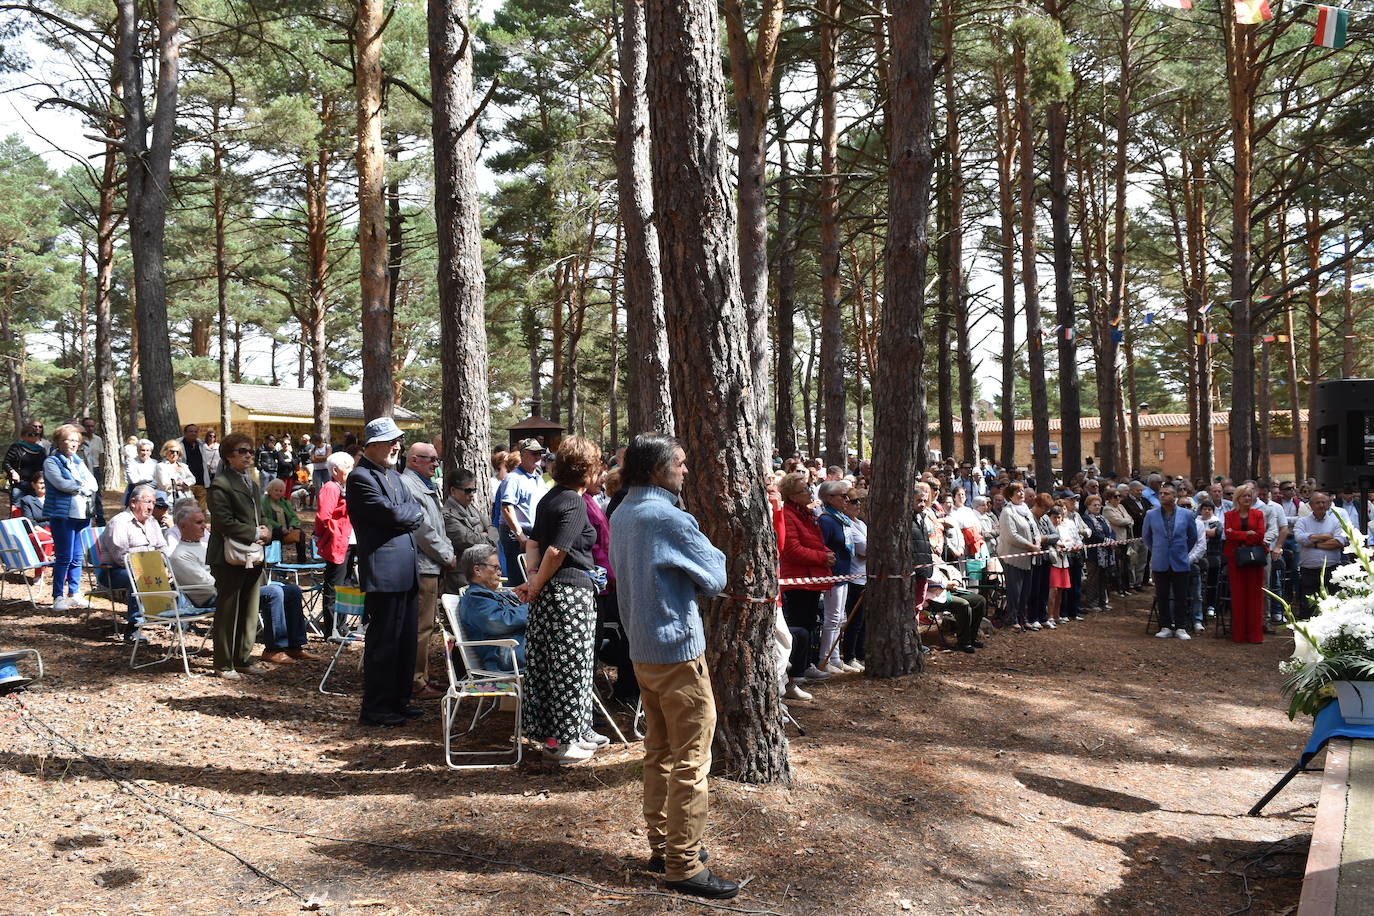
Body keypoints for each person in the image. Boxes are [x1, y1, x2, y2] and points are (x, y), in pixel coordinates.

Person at [608, 433, 736, 900]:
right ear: (657, 470)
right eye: (679, 464)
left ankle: (664, 845)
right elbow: (716, 577)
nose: (685, 471)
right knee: (691, 761)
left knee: (660, 752)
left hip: (642, 649)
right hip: (677, 652)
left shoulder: (622, 510)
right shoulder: (666, 516)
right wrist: (697, 536)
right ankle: (683, 864)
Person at [513, 436, 602, 763]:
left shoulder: (550, 496)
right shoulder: (575, 502)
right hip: (569, 596)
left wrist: (534, 579)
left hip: (551, 592)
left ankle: (564, 736)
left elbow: (533, 544)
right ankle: (563, 744)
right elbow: (556, 550)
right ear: (586, 471)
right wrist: (534, 584)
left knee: (550, 668)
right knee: (569, 667)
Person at [347, 418, 425, 727]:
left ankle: (398, 701)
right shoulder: (360, 477)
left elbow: (413, 512)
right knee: (384, 644)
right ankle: (376, 707)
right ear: (372, 445)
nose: (397, 446)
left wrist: (404, 515)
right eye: (391, 441)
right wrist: (404, 515)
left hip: (406, 571)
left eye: (399, 441)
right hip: (385, 574)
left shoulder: (393, 476)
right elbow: (395, 513)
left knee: (405, 642)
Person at [168, 503, 314, 664]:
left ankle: (294, 646)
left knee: (292, 590)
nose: (204, 526)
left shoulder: (204, 545)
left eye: (203, 521)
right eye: (198, 522)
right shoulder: (180, 555)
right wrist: (239, 581)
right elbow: (207, 585)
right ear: (182, 525)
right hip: (216, 597)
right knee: (274, 593)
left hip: (229, 588)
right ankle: (273, 649)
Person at [207, 433, 273, 677]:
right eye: (242, 451)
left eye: (250, 451)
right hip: (227, 555)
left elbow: (262, 515)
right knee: (228, 608)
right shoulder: (220, 485)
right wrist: (255, 531)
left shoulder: (252, 484)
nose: (248, 455)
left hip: (253, 553)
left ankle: (243, 659)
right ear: (228, 456)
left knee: (250, 606)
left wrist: (268, 531)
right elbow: (223, 522)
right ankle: (224, 663)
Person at [399, 440, 456, 703]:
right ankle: (414, 681)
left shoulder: (422, 483)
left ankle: (419, 676)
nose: (436, 463)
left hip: (430, 564)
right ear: (413, 460)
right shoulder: (409, 485)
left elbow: (436, 526)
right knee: (420, 627)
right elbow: (423, 530)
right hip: (423, 565)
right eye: (430, 459)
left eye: (436, 459)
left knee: (426, 626)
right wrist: (445, 555)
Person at [777, 470, 834, 681]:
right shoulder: (789, 515)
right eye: (804, 490)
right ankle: (796, 674)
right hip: (798, 580)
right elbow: (791, 550)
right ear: (792, 495)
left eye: (809, 488)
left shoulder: (806, 514)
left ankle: (807, 664)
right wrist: (822, 557)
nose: (810, 492)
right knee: (800, 626)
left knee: (810, 623)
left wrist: (825, 552)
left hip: (811, 578)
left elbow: (813, 543)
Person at [98, 485, 168, 642]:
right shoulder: (119, 523)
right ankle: (133, 628)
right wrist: (148, 569)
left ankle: (178, 619)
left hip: (150, 569)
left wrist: (165, 567)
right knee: (137, 579)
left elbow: (163, 547)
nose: (151, 507)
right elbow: (120, 557)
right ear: (133, 503)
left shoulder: (152, 523)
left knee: (175, 574)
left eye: (153, 502)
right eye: (147, 501)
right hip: (114, 572)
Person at [43, 423, 100, 611]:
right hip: (63, 515)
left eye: (77, 441)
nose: (74, 444)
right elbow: (61, 484)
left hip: (81, 515)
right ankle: (57, 596)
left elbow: (93, 483)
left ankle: (74, 593)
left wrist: (80, 484)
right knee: (64, 556)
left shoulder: (77, 461)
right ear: (59, 441)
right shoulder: (51, 461)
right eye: (69, 440)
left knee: (77, 556)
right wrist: (81, 485)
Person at [457, 544, 528, 671]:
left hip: (517, 649)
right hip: (506, 655)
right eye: (495, 568)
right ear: (477, 570)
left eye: (500, 568)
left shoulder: (492, 595)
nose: (500, 572)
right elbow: (498, 622)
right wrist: (534, 610)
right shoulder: (476, 597)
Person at [1142, 485, 1198, 640]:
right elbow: (1146, 536)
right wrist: (1158, 550)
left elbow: (1192, 536)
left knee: (1181, 596)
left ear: (1175, 497)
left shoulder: (1187, 514)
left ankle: (1181, 627)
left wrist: (1182, 551)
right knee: (1162, 595)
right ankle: (1165, 626)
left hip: (1180, 560)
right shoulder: (1151, 514)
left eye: (1166, 494)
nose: (1162, 496)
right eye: (1160, 493)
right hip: (1160, 560)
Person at [816, 479, 856, 673]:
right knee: (831, 619)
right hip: (833, 575)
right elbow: (821, 545)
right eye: (843, 496)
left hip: (844, 573)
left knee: (840, 618)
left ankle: (835, 656)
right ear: (830, 498)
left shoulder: (841, 518)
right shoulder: (825, 520)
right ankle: (825, 659)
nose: (846, 499)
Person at [499, 439, 549, 587]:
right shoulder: (513, 478)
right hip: (517, 537)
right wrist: (520, 536)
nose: (538, 457)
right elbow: (507, 507)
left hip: (533, 537)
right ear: (523, 454)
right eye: (534, 453)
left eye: (540, 453)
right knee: (518, 582)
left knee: (531, 581)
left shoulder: (538, 478)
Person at [316, 451, 355, 631]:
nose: (351, 469)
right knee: (334, 585)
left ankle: (342, 625)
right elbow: (323, 517)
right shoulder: (331, 487)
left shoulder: (348, 488)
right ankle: (331, 627)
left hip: (350, 541)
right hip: (337, 542)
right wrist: (334, 532)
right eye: (347, 467)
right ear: (335, 470)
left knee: (346, 584)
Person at [1294, 491, 1349, 619]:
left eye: (1324, 502)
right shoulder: (1302, 521)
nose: (1321, 505)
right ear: (1311, 505)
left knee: (1332, 605)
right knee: (1308, 606)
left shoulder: (1336, 522)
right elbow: (1300, 538)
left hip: (1331, 570)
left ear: (1328, 504)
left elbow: (1339, 542)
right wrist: (1326, 536)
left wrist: (1314, 543)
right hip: (1309, 571)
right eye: (1317, 502)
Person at [442, 470, 498, 592]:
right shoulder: (447, 515)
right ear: (453, 491)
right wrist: (484, 535)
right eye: (467, 490)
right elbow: (467, 540)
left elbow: (493, 530)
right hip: (462, 577)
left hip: (481, 574)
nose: (472, 494)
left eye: (474, 490)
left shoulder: (472, 508)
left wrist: (484, 535)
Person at [1224, 484, 1267, 643]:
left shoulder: (1258, 514)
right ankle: (1239, 635)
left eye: (1249, 496)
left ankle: (1255, 635)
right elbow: (1228, 535)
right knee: (1238, 596)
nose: (1247, 499)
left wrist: (1237, 535)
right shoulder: (1229, 515)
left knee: (1255, 596)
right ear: (1238, 498)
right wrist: (1247, 534)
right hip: (1236, 559)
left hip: (1255, 559)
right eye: (1244, 496)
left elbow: (1260, 535)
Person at [997, 482, 1039, 631]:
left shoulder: (1026, 510)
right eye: (1017, 491)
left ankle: (1023, 618)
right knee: (1015, 590)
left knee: (1026, 590)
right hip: (1013, 557)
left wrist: (1038, 542)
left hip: (1028, 557)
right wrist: (1031, 546)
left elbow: (1035, 529)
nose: (1021, 493)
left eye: (1022, 491)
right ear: (1010, 495)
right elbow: (1011, 536)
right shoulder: (1007, 512)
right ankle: (1012, 618)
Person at [1081, 494, 1115, 614]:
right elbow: (1093, 534)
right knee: (1094, 578)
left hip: (1106, 553)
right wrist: (1106, 541)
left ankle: (1103, 601)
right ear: (1088, 506)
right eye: (1094, 505)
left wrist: (1112, 539)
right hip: (1094, 554)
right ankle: (1092, 603)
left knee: (1104, 577)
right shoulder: (1086, 518)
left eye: (1098, 504)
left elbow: (1111, 531)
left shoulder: (1102, 518)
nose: (1097, 507)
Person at [261, 478, 307, 563]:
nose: (278, 493)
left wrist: (291, 526)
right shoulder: (264, 502)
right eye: (276, 490)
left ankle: (302, 561)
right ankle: (278, 561)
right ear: (270, 490)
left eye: (280, 491)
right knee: (278, 533)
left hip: (287, 530)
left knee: (301, 534)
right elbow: (265, 518)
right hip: (272, 530)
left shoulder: (285, 502)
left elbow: (294, 517)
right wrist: (280, 527)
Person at [6, 420, 48, 505]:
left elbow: (45, 466)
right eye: (30, 434)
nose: (33, 436)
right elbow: (6, 463)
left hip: (37, 486)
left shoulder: (41, 450)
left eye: (36, 434)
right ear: (23, 436)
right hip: (20, 485)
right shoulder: (16, 447)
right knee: (17, 511)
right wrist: (13, 472)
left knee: (35, 511)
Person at [178, 424, 212, 505]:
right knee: (190, 509)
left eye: (195, 432)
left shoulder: (201, 444)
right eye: (191, 431)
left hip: (201, 483)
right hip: (187, 483)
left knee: (203, 509)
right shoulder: (179, 444)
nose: (193, 433)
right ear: (185, 433)